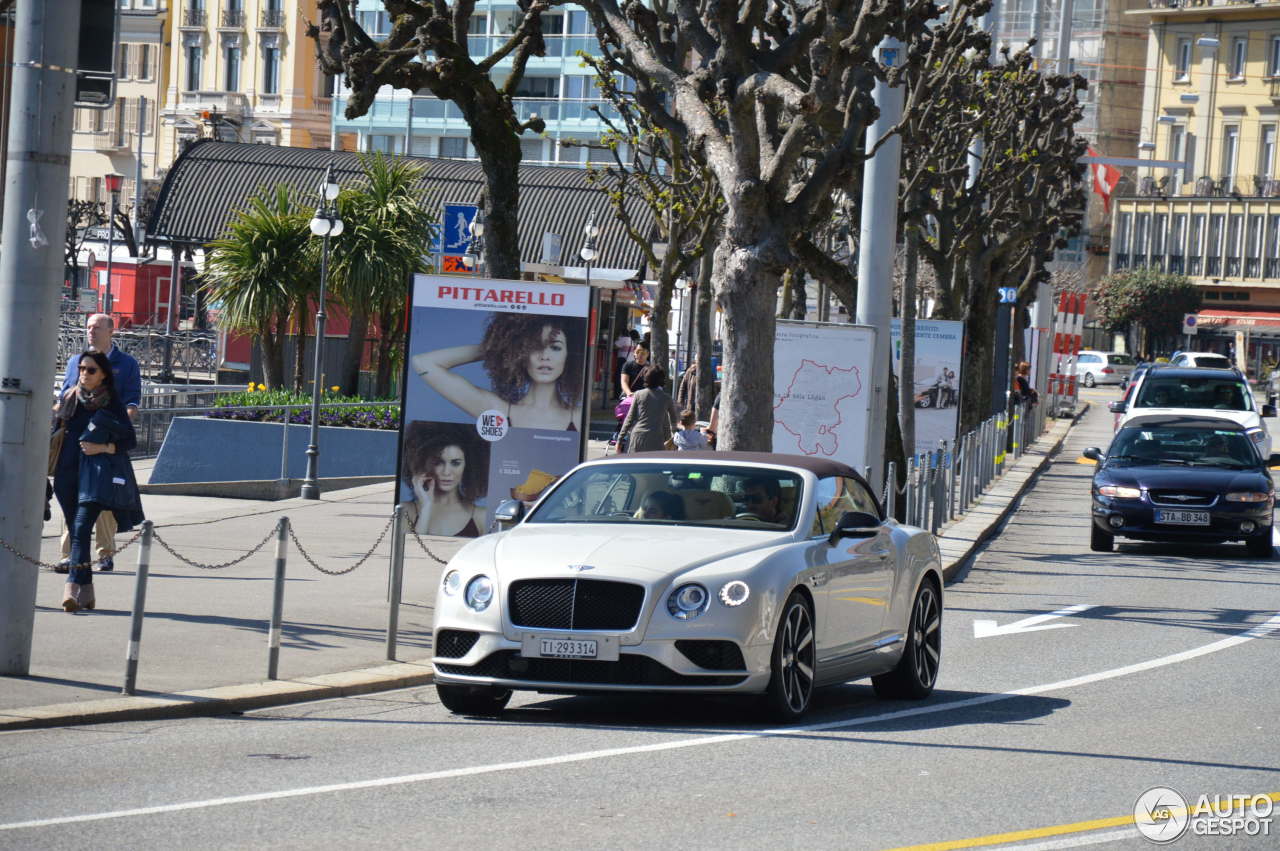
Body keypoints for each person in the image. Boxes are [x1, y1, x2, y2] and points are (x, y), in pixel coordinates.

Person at [51, 350, 144, 612]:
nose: (84, 374)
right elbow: (53, 434)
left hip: (95, 478)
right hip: (65, 474)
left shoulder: (112, 403)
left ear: (103, 375)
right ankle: (88, 589)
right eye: (81, 368)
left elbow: (129, 441)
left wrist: (103, 448)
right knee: (76, 531)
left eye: (91, 370)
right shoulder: (69, 399)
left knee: (80, 530)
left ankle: (71, 587)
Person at [56, 313, 141, 573]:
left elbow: (131, 404)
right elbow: (64, 398)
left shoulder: (126, 364)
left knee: (102, 500)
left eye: (97, 327)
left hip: (103, 446)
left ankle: (104, 553)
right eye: (89, 327)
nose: (91, 331)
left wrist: (114, 432)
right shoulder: (75, 361)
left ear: (111, 331)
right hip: (74, 445)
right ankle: (68, 555)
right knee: (71, 500)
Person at [411, 314, 584, 431]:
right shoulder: (497, 410)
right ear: (520, 354)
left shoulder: (577, 417)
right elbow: (423, 363)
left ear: (569, 355)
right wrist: (500, 348)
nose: (544, 356)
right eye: (534, 347)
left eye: (555, 347)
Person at [402, 422, 489, 537]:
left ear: (468, 466)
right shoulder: (406, 510)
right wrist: (426, 508)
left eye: (455, 463)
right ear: (425, 463)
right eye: (438, 463)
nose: (446, 472)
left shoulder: (480, 516)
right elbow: (409, 549)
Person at [619, 366, 679, 453]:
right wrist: (673, 438)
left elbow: (630, 418)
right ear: (662, 380)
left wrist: (620, 439)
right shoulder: (667, 398)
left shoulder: (638, 394)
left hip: (638, 437)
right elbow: (673, 421)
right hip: (657, 439)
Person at [613, 329, 637, 397]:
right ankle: (625, 393)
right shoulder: (632, 341)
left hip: (623, 361)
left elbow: (615, 346)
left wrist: (617, 339)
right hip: (630, 361)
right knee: (627, 378)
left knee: (618, 377)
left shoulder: (623, 339)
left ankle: (617, 394)